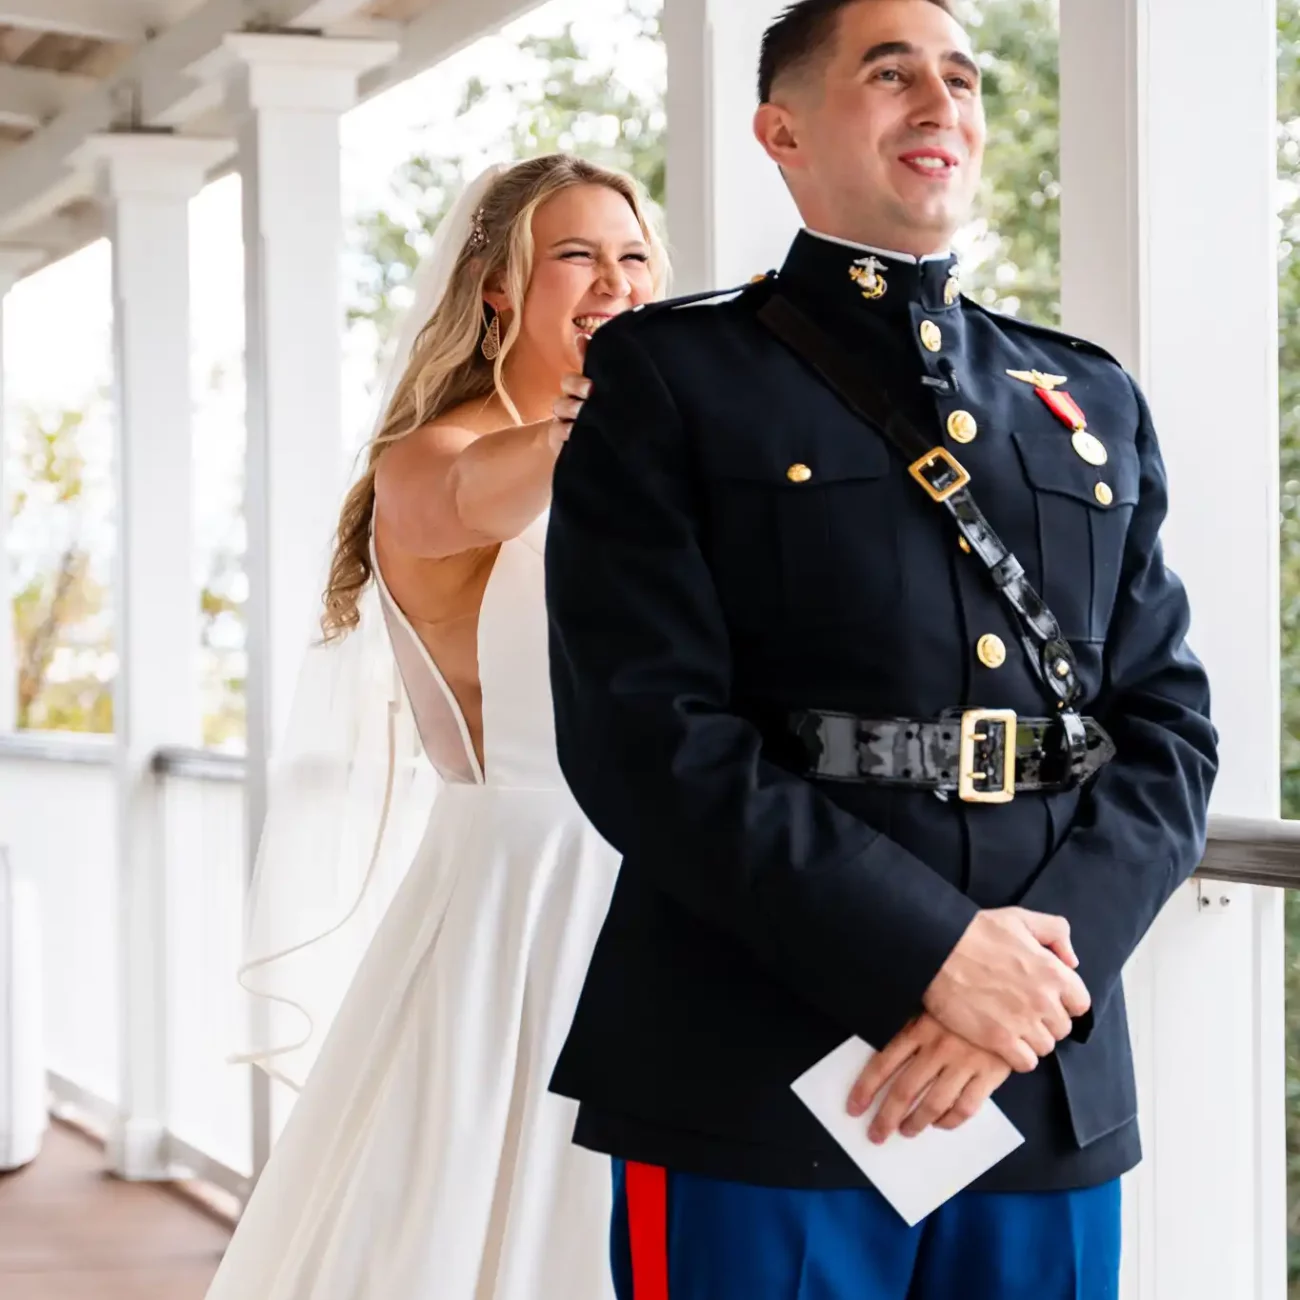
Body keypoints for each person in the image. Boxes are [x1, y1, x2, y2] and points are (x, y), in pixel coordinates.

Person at [544, 2, 1217, 1297]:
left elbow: (1170, 739)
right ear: (781, 129)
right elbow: (646, 736)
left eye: (961, 77)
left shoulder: (1085, 399)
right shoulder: (673, 376)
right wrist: (932, 956)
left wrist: (1021, 987)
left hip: (1037, 1078)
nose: (941, 102)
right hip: (754, 1068)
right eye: (890, 72)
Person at [203, 153, 665, 1300]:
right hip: (522, 896)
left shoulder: (648, 464)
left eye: (632, 257)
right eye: (576, 255)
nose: (612, 280)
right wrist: (620, 405)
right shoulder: (435, 459)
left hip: (661, 885)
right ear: (497, 283)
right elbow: (485, 497)